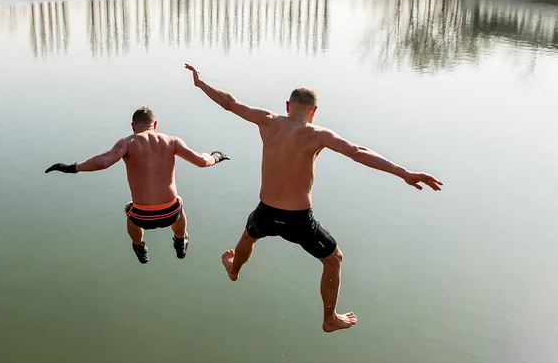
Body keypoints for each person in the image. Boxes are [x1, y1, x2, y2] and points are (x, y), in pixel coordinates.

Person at [184, 64, 442, 332]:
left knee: (249, 236)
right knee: (334, 260)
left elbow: (229, 103)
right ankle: (329, 319)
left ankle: (234, 270)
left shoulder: (267, 120)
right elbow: (357, 152)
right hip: (299, 220)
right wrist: (404, 173)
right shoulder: (317, 135)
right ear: (313, 112)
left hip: (267, 212)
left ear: (287, 106)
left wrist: (200, 83)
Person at [45, 107, 229, 263]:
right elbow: (200, 161)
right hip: (171, 214)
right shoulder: (172, 141)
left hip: (142, 217)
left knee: (129, 209)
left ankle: (139, 246)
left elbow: (102, 162)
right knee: (178, 202)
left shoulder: (127, 142)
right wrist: (216, 156)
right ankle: (181, 240)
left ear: (133, 126)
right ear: (155, 125)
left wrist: (71, 168)